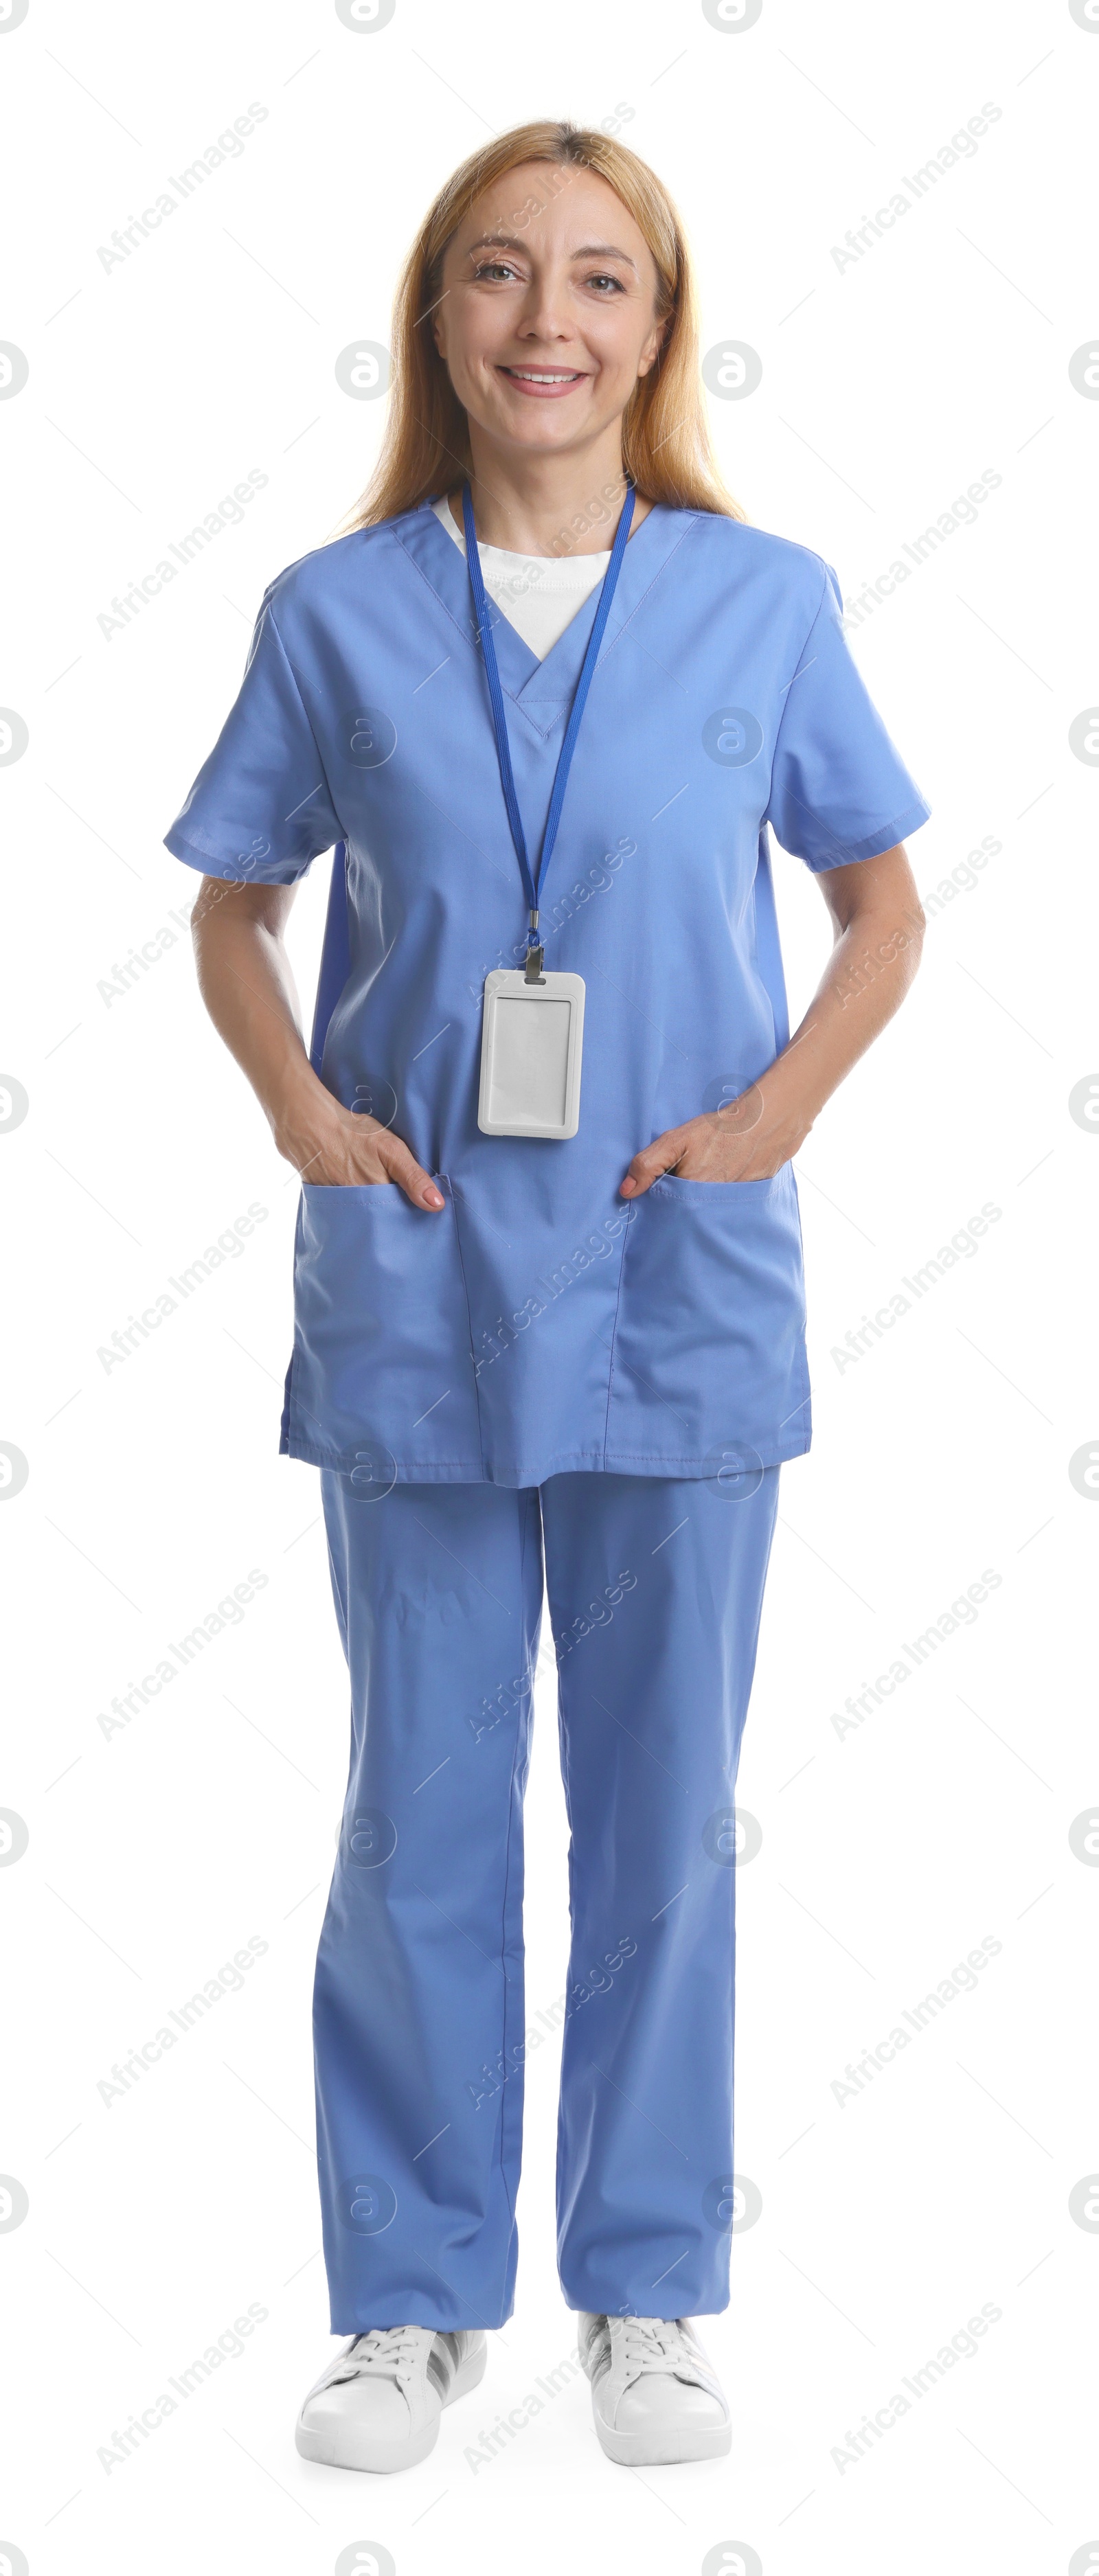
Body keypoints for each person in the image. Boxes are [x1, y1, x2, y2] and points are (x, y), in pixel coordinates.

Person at [165, 120, 929, 2474]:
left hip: (677, 1274)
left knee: (666, 1810)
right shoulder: (334, 613)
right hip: (416, 1279)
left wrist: (781, 1109)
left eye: (600, 282)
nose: (547, 324)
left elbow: (885, 904)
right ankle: (409, 2297)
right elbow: (229, 903)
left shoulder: (764, 600)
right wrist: (298, 1108)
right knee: (421, 1806)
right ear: (438, 319)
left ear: (661, 331)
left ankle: (648, 2288)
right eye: (499, 277)